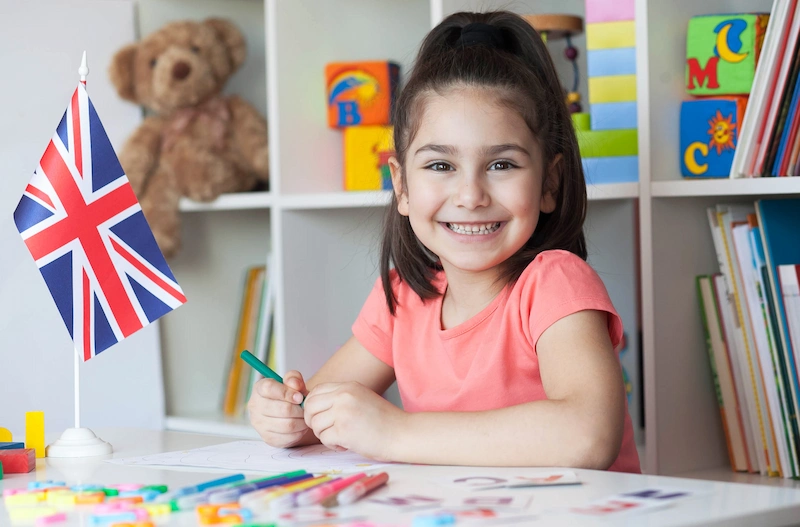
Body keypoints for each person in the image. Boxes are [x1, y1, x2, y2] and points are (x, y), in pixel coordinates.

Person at [247, 10, 641, 473]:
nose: (471, 196)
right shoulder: (402, 297)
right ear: (402, 186)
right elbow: (321, 411)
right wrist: (286, 416)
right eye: (440, 166)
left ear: (550, 183)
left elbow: (588, 436)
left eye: (502, 165)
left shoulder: (555, 284)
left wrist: (394, 431)